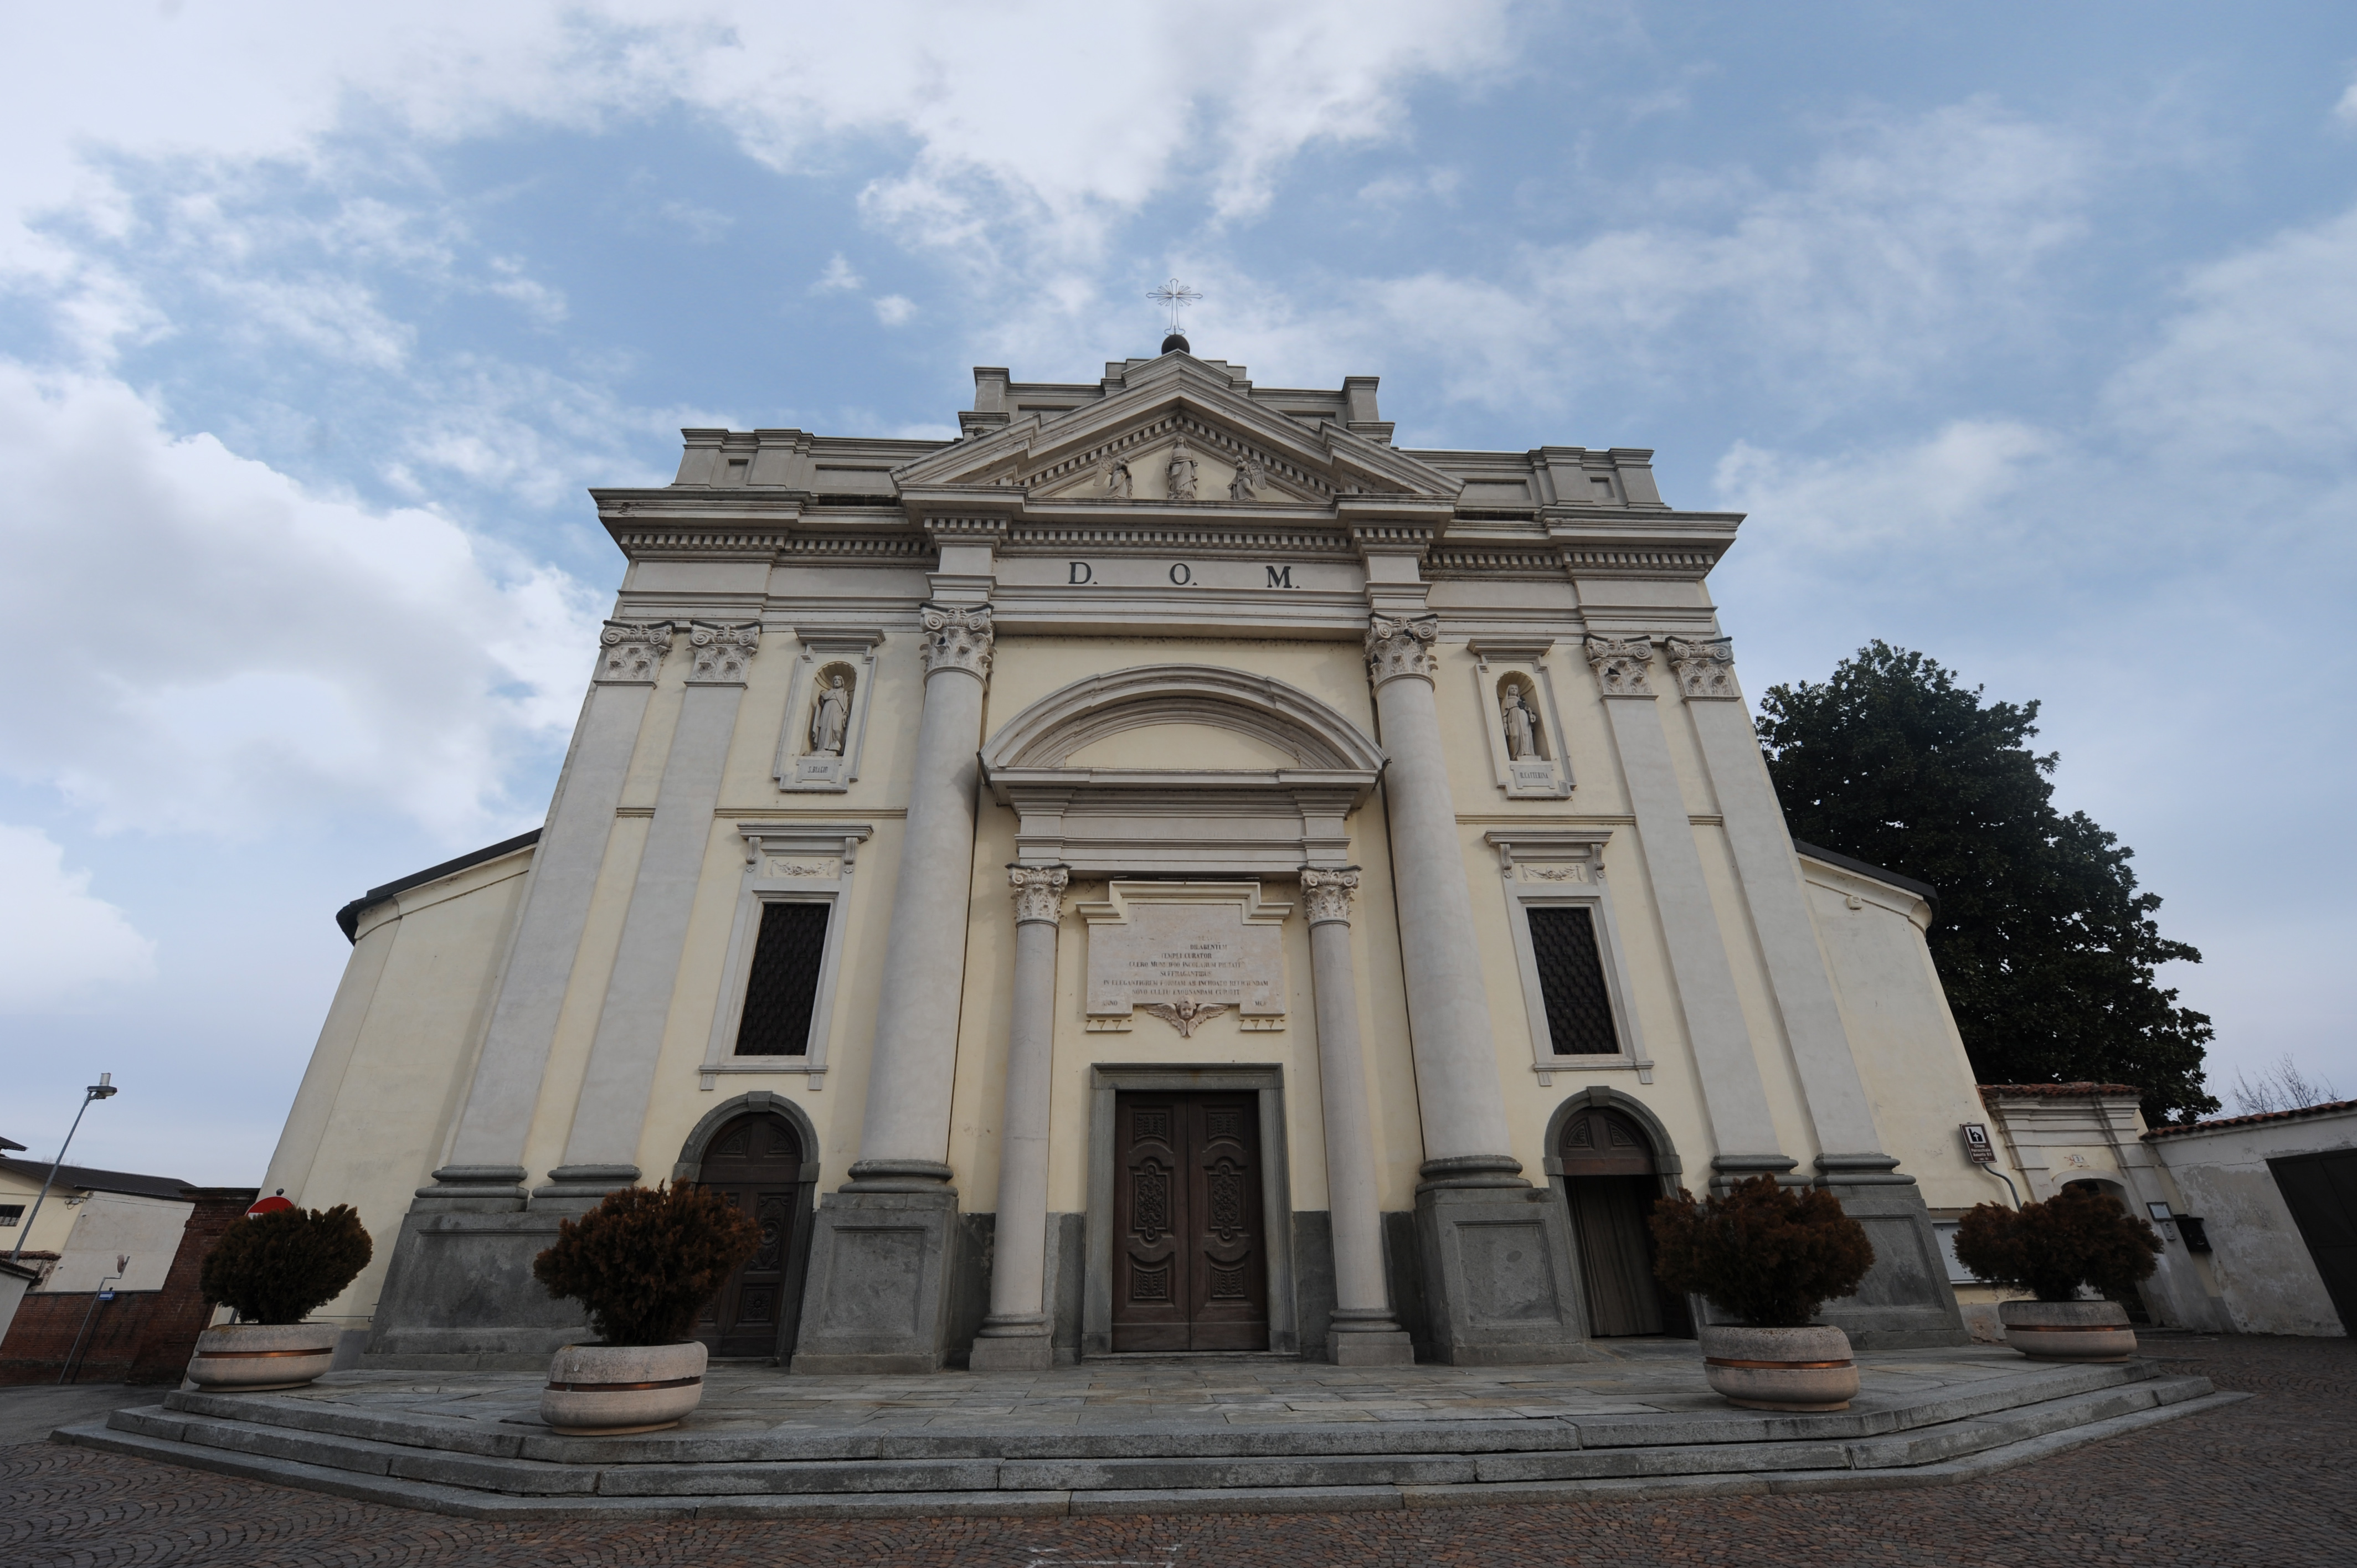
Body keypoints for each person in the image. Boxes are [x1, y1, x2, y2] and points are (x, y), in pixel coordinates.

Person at [809, 673, 851, 755]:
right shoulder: (827, 693)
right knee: (825, 727)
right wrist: (821, 700)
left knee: (836, 728)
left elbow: (846, 706)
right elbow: (822, 703)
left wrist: (845, 715)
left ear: (842, 682)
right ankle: (822, 747)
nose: (837, 681)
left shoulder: (844, 693)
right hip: (827, 710)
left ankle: (835, 746)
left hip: (837, 711)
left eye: (839, 680)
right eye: (835, 680)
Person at [1501, 682, 1540, 760]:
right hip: (1513, 717)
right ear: (1509, 690)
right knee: (1515, 735)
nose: (1514, 690)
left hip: (1523, 716)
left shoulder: (1521, 700)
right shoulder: (1506, 701)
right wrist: (1505, 723)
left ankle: (1526, 752)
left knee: (1526, 734)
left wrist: (1531, 714)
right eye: (1512, 689)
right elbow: (1504, 713)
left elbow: (1527, 710)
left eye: (1516, 689)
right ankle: (1515, 755)